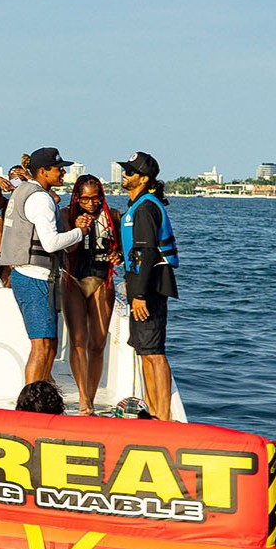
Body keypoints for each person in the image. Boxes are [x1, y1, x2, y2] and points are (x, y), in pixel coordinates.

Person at [0, 146, 90, 389]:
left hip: (28, 275)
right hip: (35, 278)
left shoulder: (23, 192)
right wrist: (79, 233)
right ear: (43, 171)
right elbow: (50, 243)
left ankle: (39, 395)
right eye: (58, 169)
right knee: (41, 345)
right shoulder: (41, 199)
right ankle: (29, 402)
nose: (63, 173)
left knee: (49, 343)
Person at [119, 151, 178, 420]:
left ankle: (163, 414)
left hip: (149, 289)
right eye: (124, 170)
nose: (124, 174)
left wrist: (140, 295)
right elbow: (135, 251)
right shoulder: (138, 206)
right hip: (138, 287)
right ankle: (153, 411)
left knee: (154, 353)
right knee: (144, 351)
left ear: (143, 178)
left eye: (130, 171)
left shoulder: (145, 208)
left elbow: (148, 253)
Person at [58, 174, 122, 414]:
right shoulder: (67, 215)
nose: (91, 203)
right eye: (85, 199)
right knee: (77, 341)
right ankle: (83, 399)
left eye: (95, 198)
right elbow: (68, 247)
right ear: (77, 197)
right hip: (73, 279)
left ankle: (91, 399)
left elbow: (124, 249)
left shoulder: (113, 216)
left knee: (98, 343)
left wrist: (120, 256)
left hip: (101, 280)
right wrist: (78, 230)